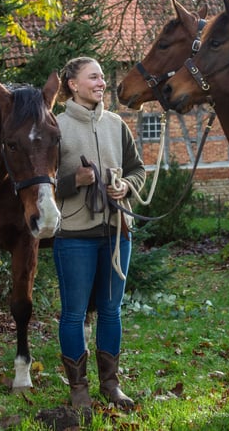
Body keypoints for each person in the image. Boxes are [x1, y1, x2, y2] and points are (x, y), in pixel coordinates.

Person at [54, 56, 146, 409]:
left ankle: (111, 384)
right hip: (74, 235)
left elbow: (138, 169)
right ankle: (79, 390)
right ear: (73, 84)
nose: (102, 83)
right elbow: (42, 186)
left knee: (111, 311)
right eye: (93, 77)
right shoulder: (56, 126)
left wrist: (125, 185)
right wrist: (72, 181)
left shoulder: (116, 123)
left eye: (103, 77)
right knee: (74, 313)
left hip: (117, 231)